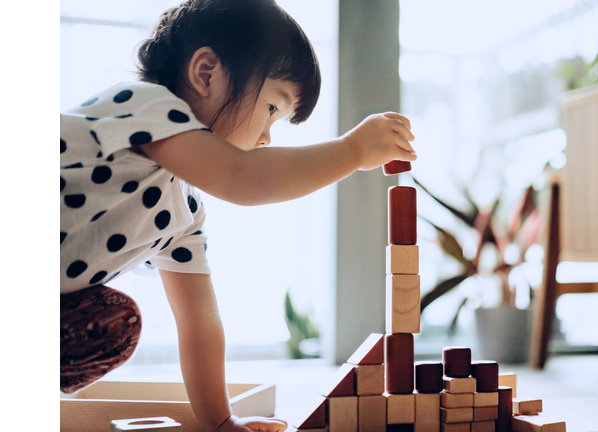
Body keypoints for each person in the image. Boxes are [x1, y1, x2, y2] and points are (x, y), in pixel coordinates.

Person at [59, 1, 416, 431]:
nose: (267, 138)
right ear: (206, 72)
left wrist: (222, 423)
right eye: (271, 109)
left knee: (116, 322)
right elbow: (244, 179)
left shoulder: (183, 215)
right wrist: (352, 151)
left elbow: (200, 324)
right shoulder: (141, 104)